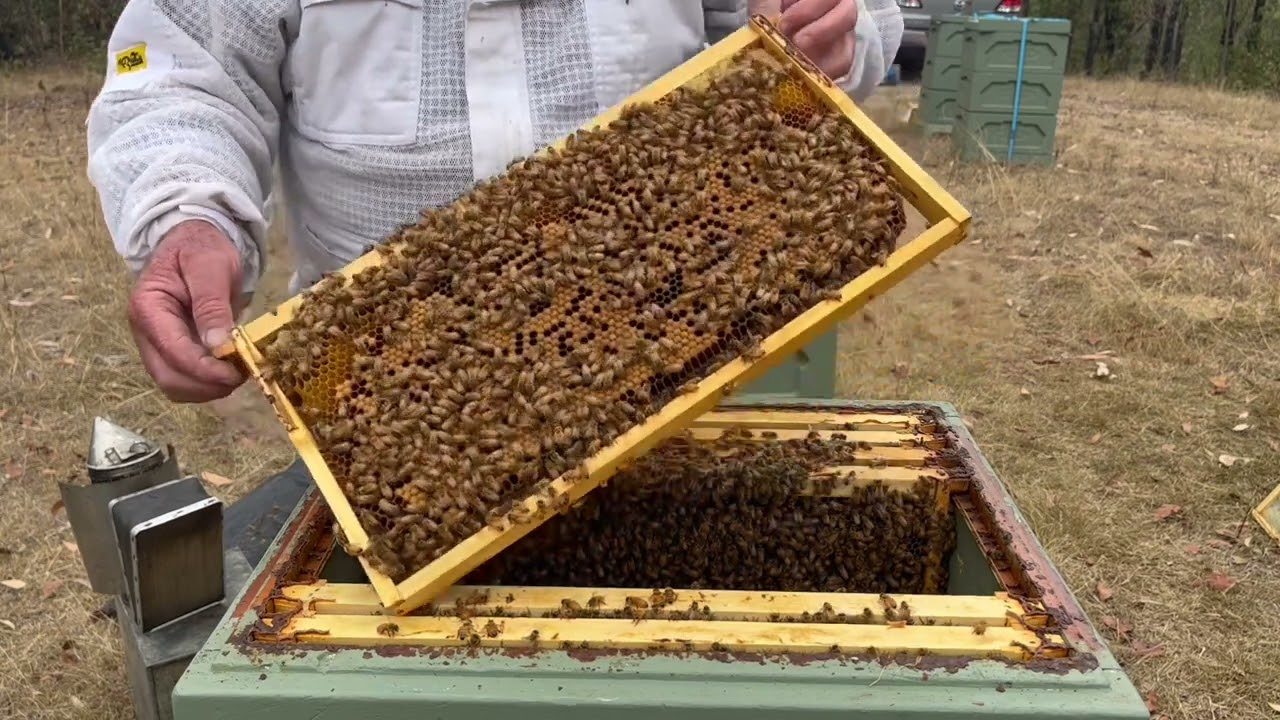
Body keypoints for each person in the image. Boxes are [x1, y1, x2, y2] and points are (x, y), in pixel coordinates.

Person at [86, 0, 904, 404]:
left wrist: (833, 29)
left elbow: (824, 27)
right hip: (387, 384)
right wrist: (186, 212)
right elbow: (185, 73)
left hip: (688, 346)